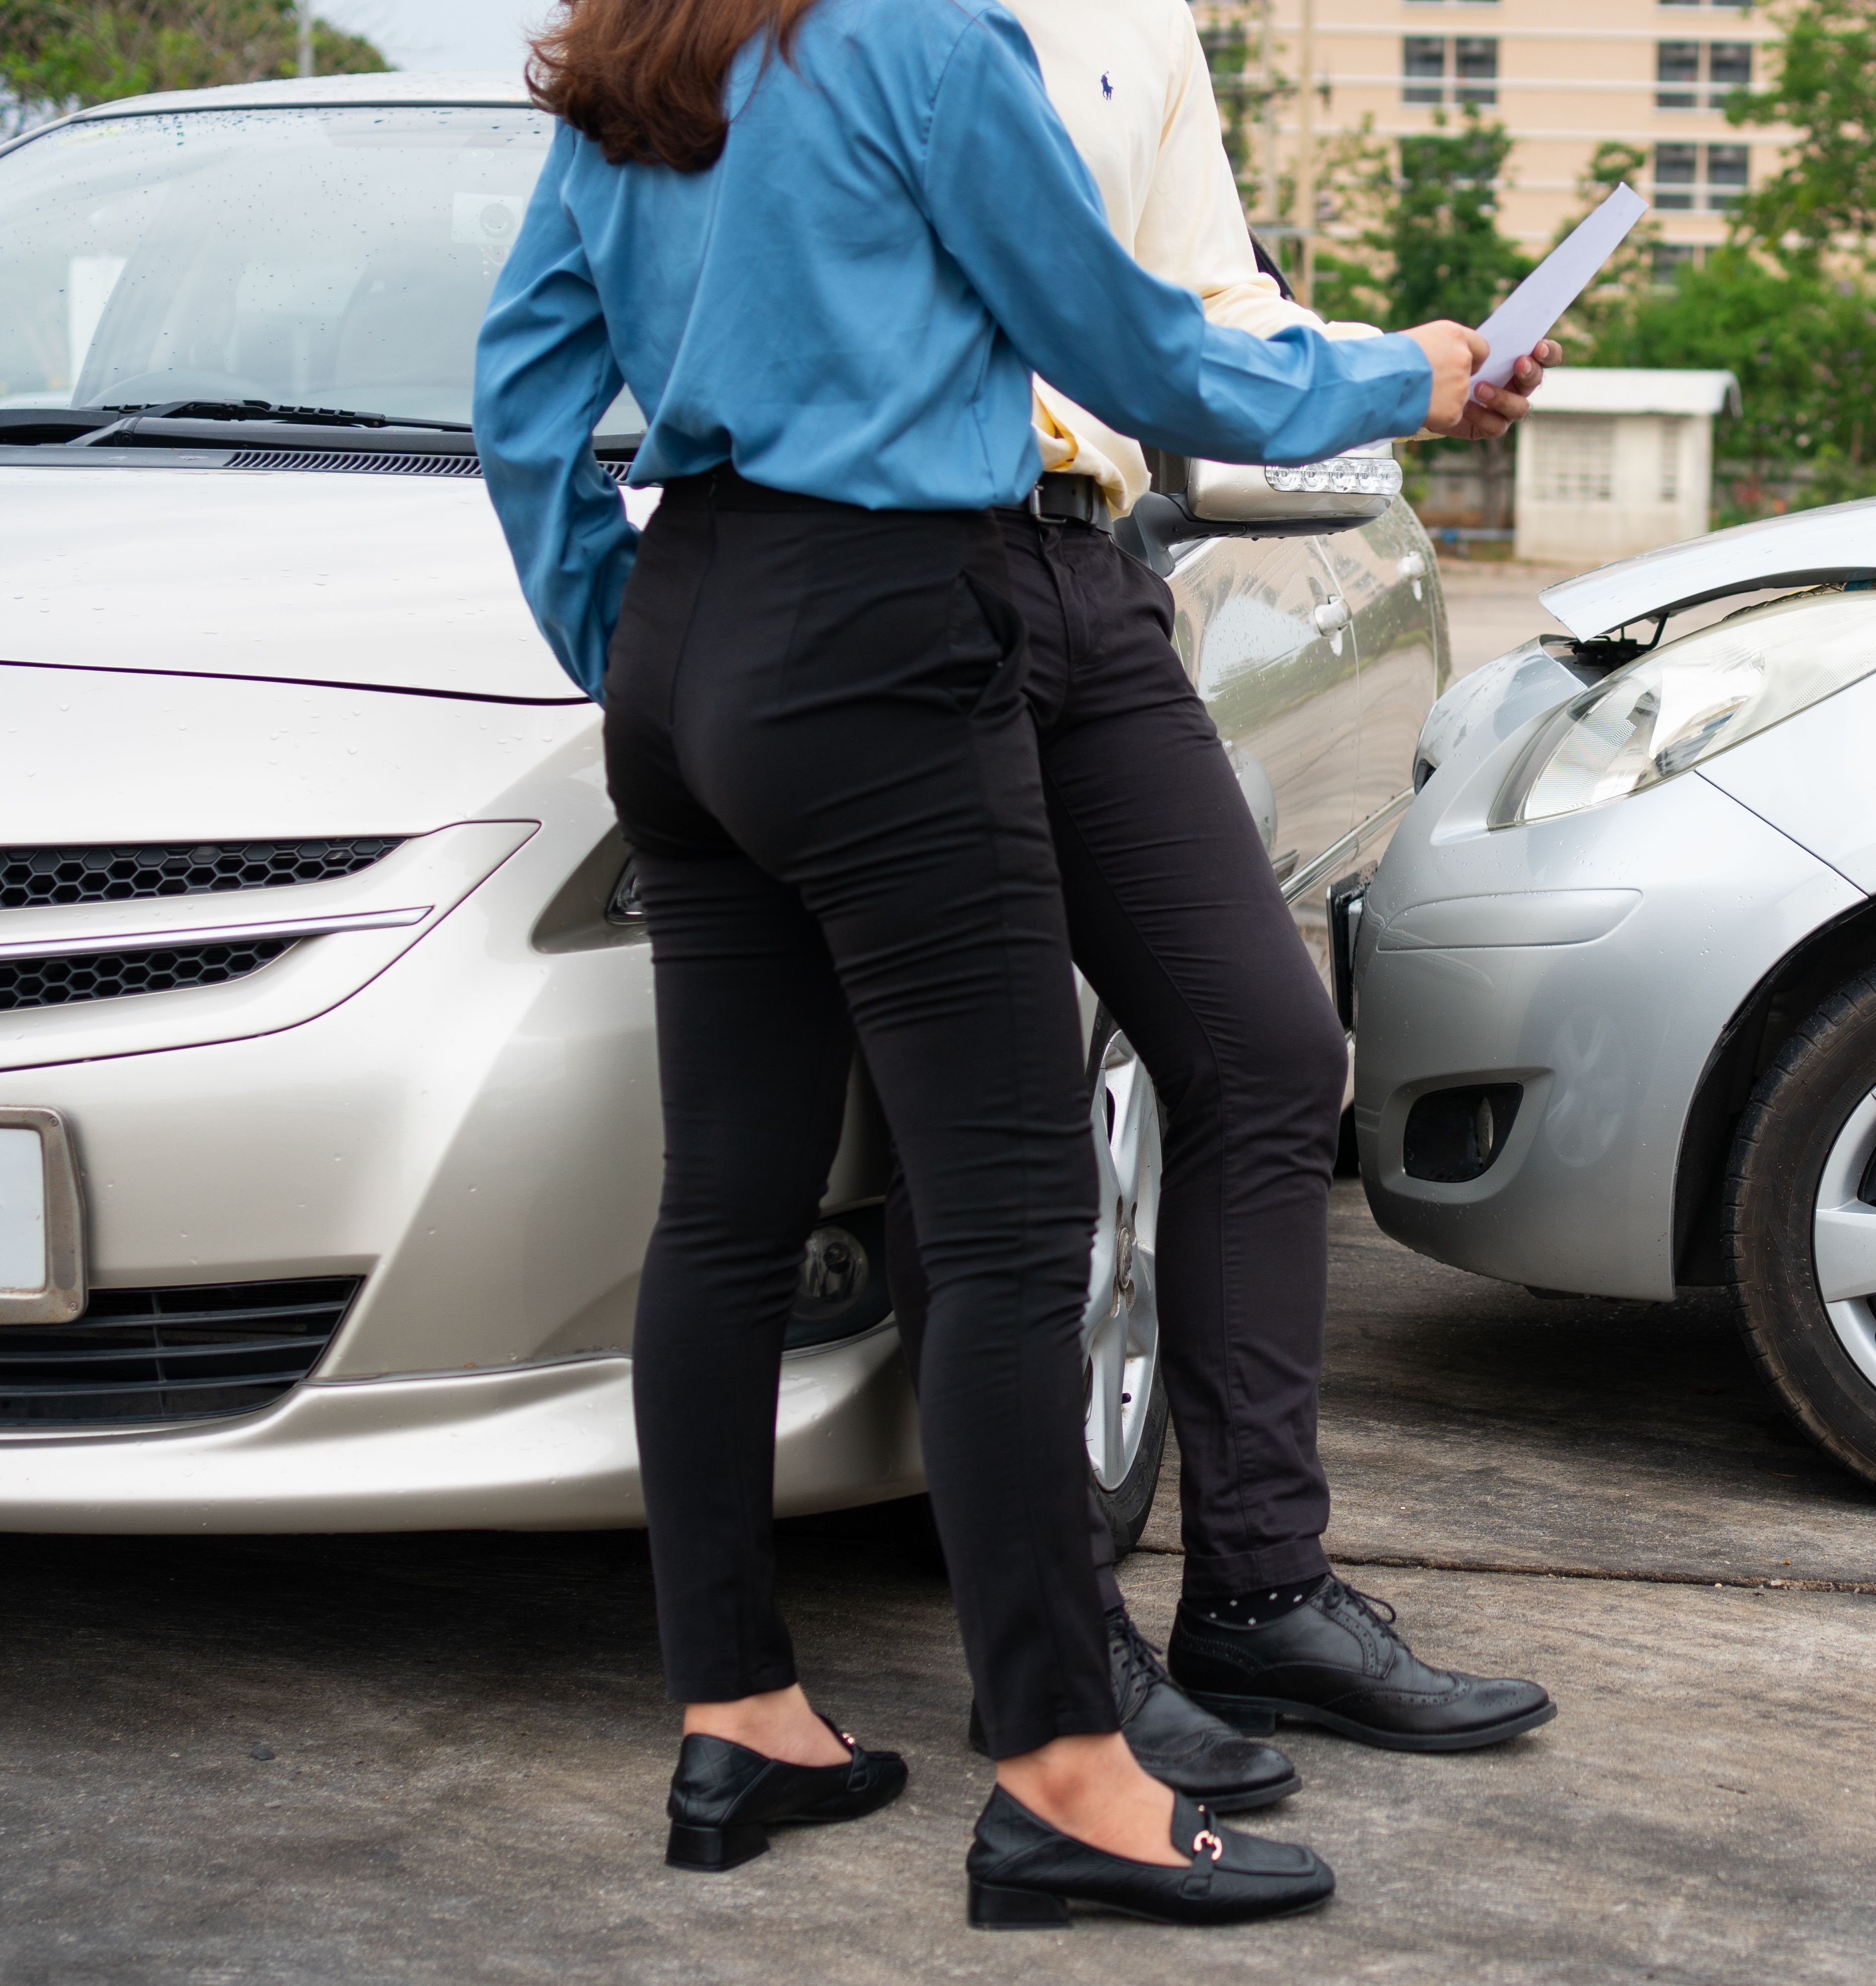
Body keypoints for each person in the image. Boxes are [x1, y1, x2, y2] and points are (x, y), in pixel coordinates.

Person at [474, 0, 1490, 1929]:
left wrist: (647, 642)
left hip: (691, 634)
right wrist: (1407, 375)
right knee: (1016, 1216)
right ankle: (1057, 1776)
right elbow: (1139, 350)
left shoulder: (633, 60)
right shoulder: (930, 50)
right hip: (884, 624)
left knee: (724, 1210)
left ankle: (743, 1715)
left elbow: (526, 390)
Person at [875, 0, 1561, 1815]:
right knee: (1009, 1136)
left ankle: (1257, 1588)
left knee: (1265, 1048)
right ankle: (1056, 1649)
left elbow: (1204, 311)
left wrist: (1402, 368)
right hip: (887, 581)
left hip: (1087, 570)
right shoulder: (819, 27)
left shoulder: (1134, 20)